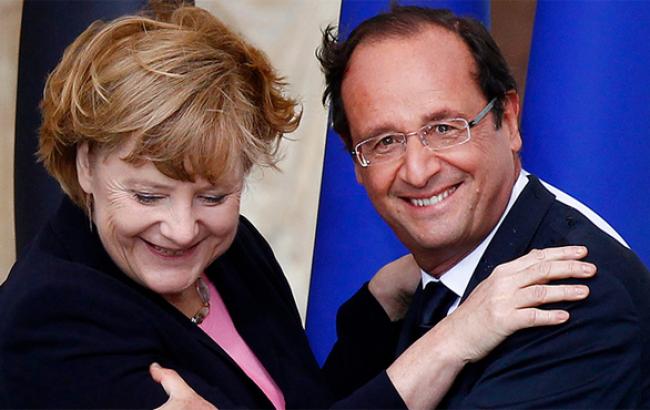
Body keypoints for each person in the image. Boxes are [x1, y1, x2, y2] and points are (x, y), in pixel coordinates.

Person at [0, 5, 595, 410]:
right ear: (84, 166)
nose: (182, 229)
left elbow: (305, 400)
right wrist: (453, 339)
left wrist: (385, 300)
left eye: (213, 195)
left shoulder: (231, 248)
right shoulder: (48, 320)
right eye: (148, 196)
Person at [318, 4, 650, 408]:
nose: (418, 171)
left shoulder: (574, 297)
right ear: (356, 161)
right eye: (385, 141)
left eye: (444, 128)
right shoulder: (422, 290)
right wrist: (385, 311)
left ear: (508, 121)